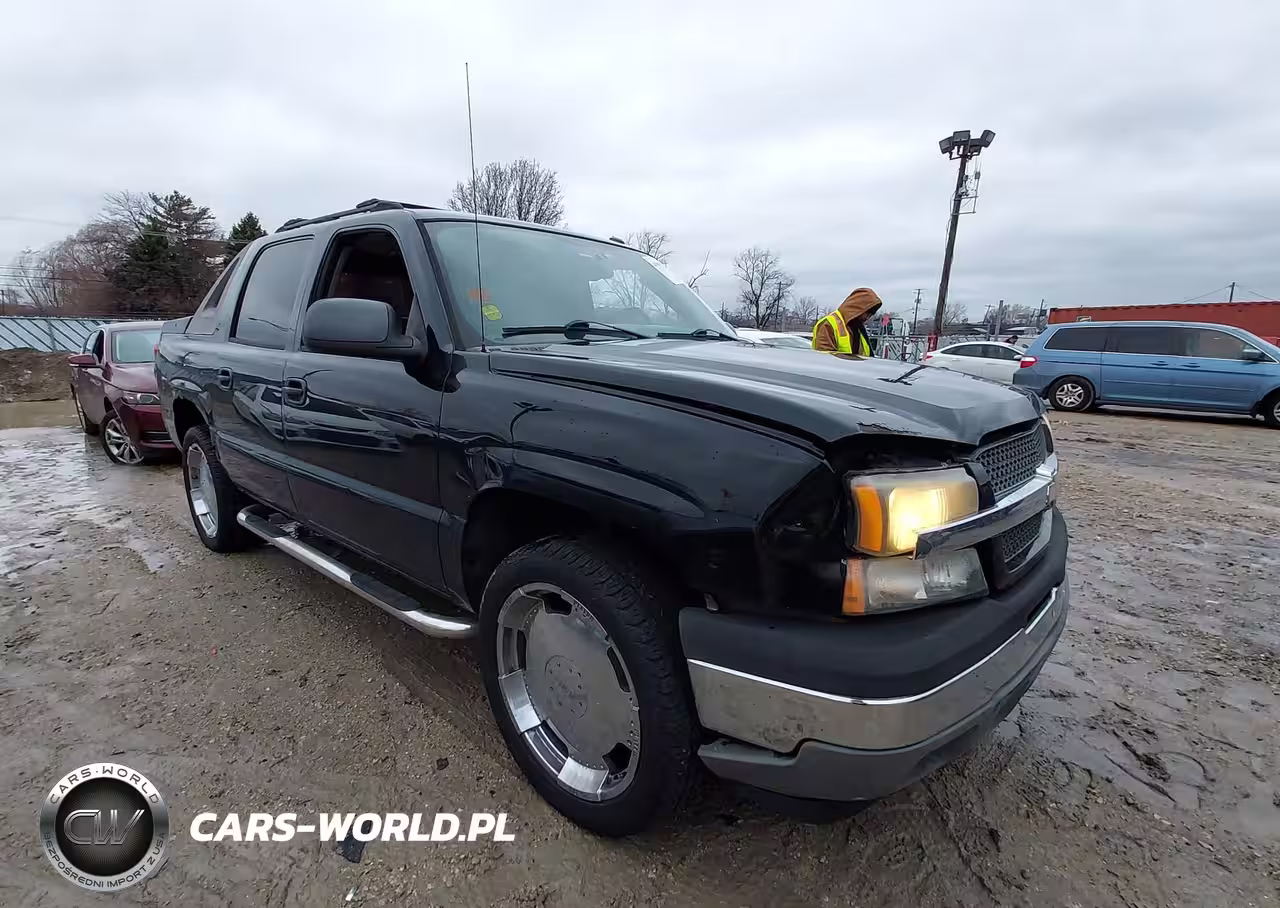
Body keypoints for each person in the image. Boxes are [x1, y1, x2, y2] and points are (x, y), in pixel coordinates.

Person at [812, 287, 882, 355]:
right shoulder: (829, 324)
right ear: (857, 308)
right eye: (866, 313)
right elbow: (825, 357)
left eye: (870, 315)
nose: (867, 317)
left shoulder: (859, 329)